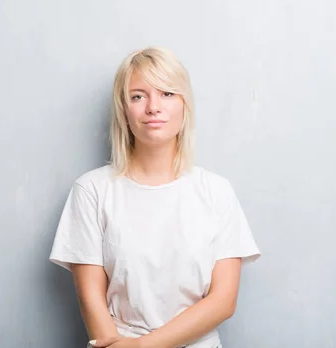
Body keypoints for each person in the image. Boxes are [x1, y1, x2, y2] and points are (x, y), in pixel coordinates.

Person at [48, 46, 261, 348]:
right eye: (138, 96)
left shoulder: (215, 192)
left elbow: (223, 300)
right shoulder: (92, 190)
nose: (153, 107)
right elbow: (90, 297)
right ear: (124, 109)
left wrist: (142, 347)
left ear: (185, 105)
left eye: (167, 94)